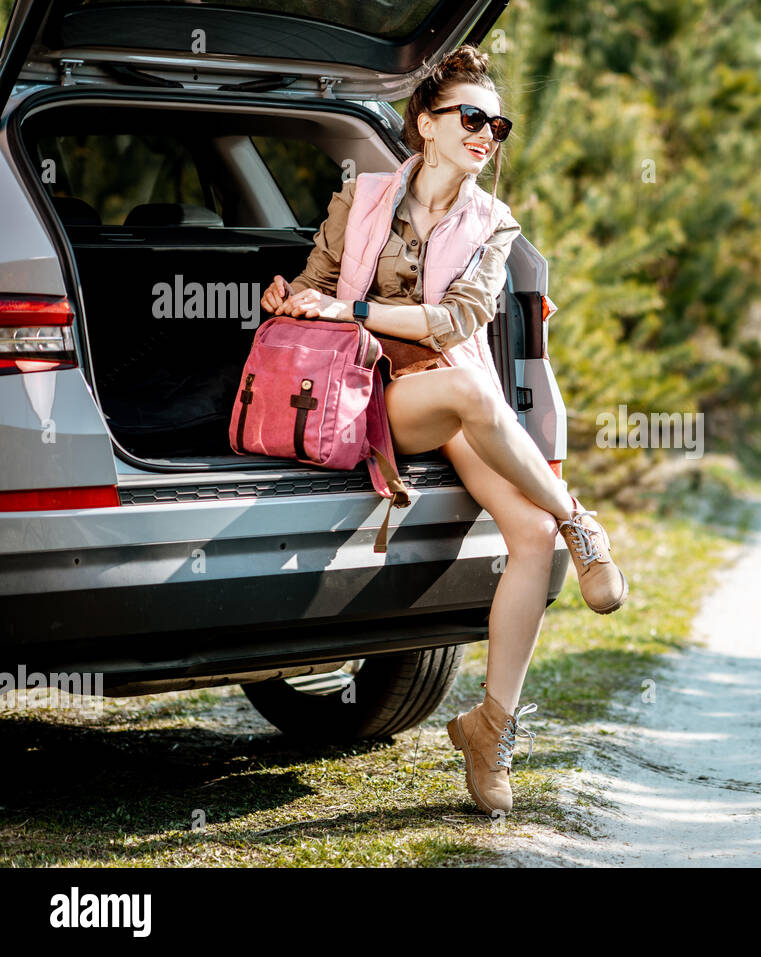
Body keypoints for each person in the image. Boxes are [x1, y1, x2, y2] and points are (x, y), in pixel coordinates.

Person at [258, 44, 628, 817]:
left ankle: (491, 728)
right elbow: (320, 285)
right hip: (370, 389)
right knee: (470, 395)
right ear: (425, 124)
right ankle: (580, 519)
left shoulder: (495, 222)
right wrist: (291, 296)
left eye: (498, 122)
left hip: (455, 392)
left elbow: (459, 320)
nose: (487, 131)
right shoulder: (360, 197)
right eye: (471, 116)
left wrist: (354, 308)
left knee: (526, 533)